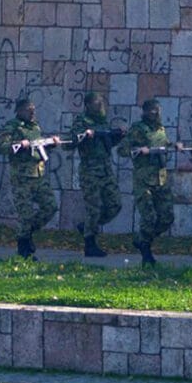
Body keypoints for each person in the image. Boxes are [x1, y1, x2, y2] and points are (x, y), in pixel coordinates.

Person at [117, 99, 183, 266]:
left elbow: (164, 144)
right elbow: (122, 149)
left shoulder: (161, 129)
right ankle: (146, 252)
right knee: (149, 217)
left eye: (158, 110)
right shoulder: (138, 129)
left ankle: (142, 239)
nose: (156, 113)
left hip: (161, 179)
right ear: (145, 112)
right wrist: (139, 151)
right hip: (144, 180)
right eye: (153, 110)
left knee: (167, 217)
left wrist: (174, 145)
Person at [0, 98, 60, 260]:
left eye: (33, 109)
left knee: (50, 206)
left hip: (38, 175)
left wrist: (51, 143)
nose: (32, 113)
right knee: (26, 213)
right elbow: (1, 147)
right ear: (19, 111)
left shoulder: (35, 127)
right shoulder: (13, 127)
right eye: (28, 110)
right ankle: (24, 248)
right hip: (22, 177)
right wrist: (18, 145)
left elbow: (38, 146)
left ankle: (27, 232)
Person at [70, 91, 123, 258]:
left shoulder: (103, 122)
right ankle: (90, 244)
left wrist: (118, 135)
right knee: (94, 207)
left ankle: (86, 226)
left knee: (115, 204)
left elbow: (108, 143)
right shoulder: (81, 122)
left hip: (106, 170)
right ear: (87, 106)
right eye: (96, 102)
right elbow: (71, 141)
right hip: (90, 171)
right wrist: (85, 135)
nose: (100, 105)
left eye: (101, 101)